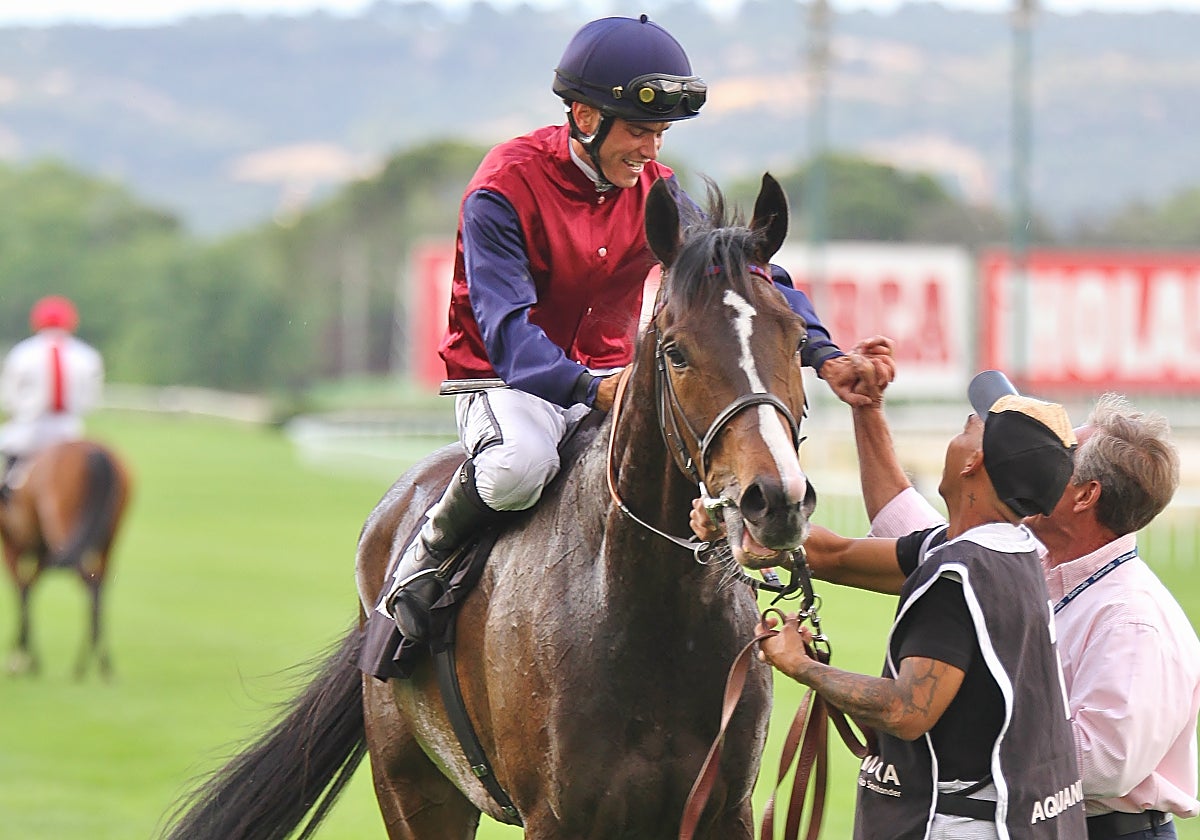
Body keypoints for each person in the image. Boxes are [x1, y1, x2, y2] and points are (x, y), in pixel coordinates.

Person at [376, 14, 894, 645]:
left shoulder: (657, 189)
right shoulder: (503, 188)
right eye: (640, 132)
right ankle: (425, 559)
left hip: (615, 379)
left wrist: (825, 354)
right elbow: (508, 333)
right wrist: (592, 389)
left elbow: (753, 273)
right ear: (586, 117)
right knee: (520, 466)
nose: (651, 151)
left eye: (660, 135)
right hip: (508, 384)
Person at [793, 370, 1200, 840]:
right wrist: (867, 412)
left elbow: (1106, 767)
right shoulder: (1012, 550)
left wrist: (946, 710)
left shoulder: (1133, 618)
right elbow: (897, 526)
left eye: (1063, 457)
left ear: (1087, 495)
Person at [752, 373, 1087, 839]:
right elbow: (838, 556)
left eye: (970, 426)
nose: (961, 429)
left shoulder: (955, 575)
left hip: (956, 826)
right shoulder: (1011, 549)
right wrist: (746, 530)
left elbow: (906, 711)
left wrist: (799, 665)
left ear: (975, 461)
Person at [0, 295, 104, 498]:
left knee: (9, 466)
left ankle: (8, 493)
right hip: (69, 428)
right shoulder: (87, 356)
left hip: (29, 428)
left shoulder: (23, 353)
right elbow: (91, 400)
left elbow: (8, 397)